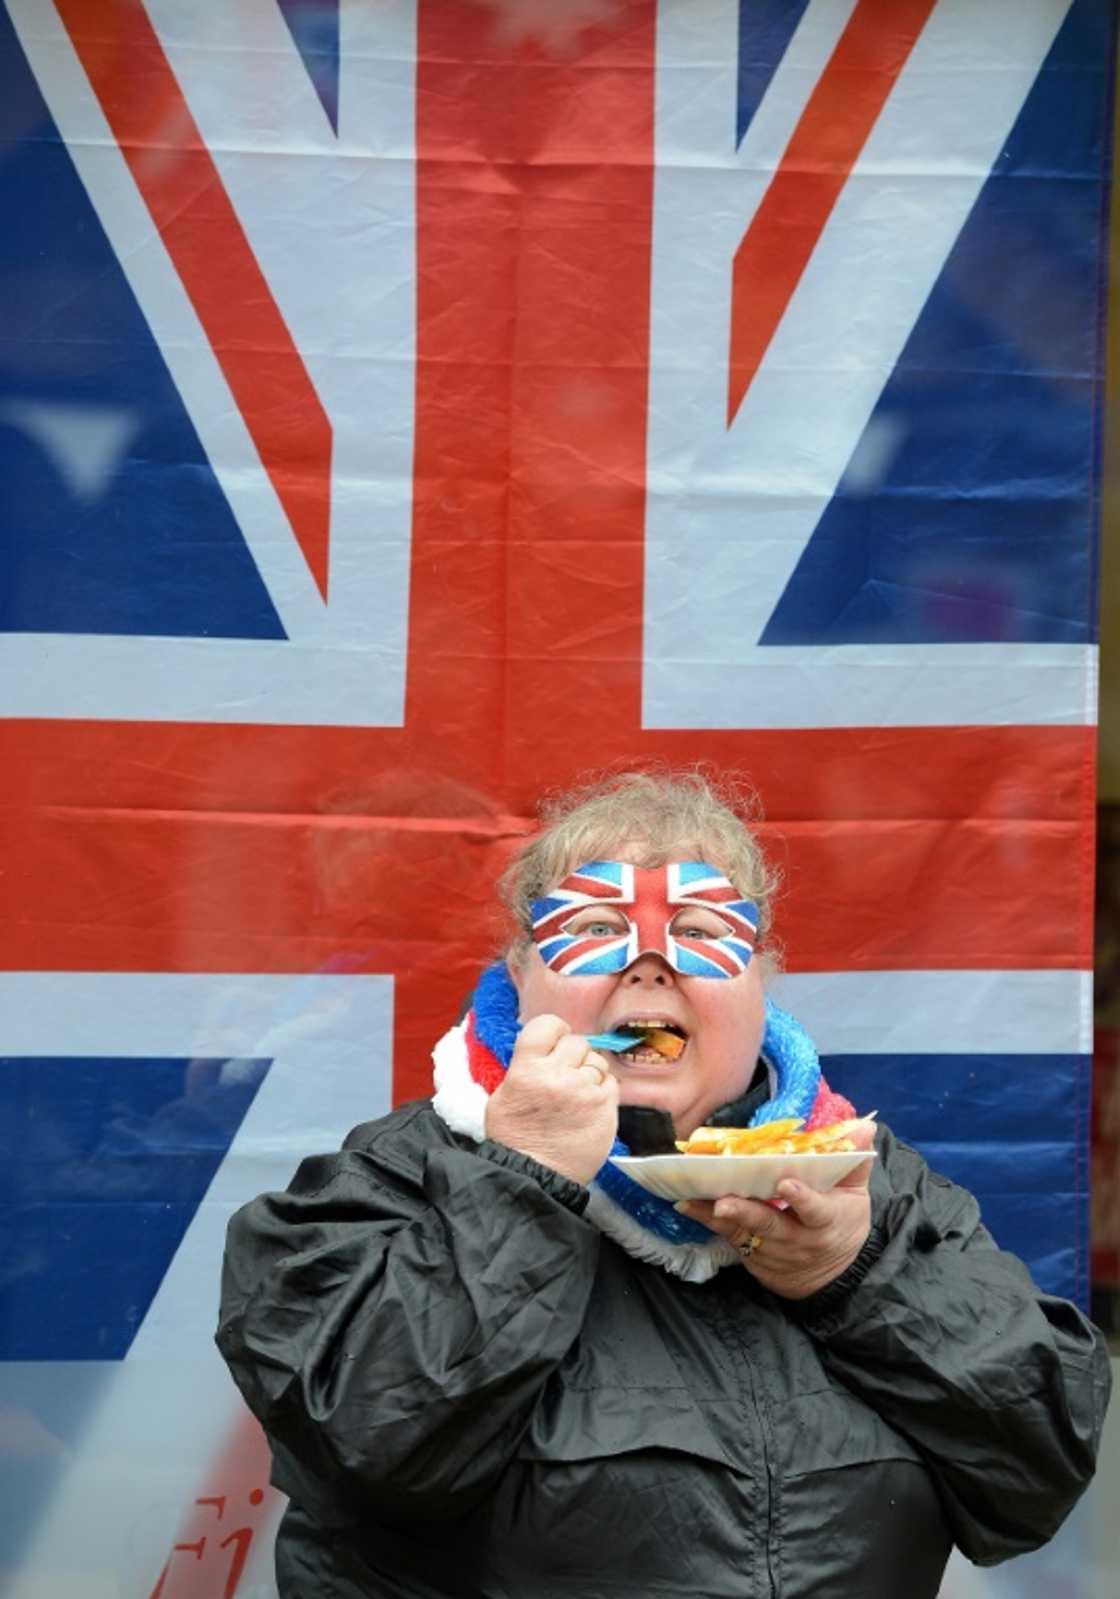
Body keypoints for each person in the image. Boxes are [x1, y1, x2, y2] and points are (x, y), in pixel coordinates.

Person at [216, 770, 1112, 1599]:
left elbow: (1036, 1472)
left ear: (762, 983)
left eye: (703, 931)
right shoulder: (390, 1179)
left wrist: (857, 1269)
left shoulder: (865, 1181)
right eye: (597, 928)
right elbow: (371, 1451)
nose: (651, 962)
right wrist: (522, 1178)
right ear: (522, 977)